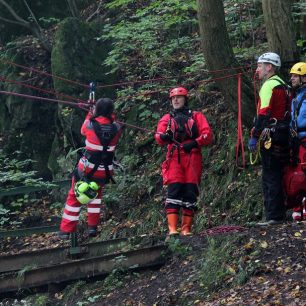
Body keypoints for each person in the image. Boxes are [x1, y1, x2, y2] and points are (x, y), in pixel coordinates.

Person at [59, 98, 122, 238]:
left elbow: (82, 131)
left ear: (97, 110)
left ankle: (66, 230)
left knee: (74, 197)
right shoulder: (117, 128)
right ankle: (92, 227)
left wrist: (90, 113)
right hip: (104, 171)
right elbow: (111, 123)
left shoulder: (90, 125)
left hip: (86, 170)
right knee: (94, 197)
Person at [155, 87, 213, 236]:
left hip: (193, 156)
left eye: (179, 97)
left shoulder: (196, 116)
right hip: (174, 157)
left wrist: (194, 143)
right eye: (173, 98)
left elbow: (207, 135)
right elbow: (159, 135)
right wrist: (163, 137)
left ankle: (186, 229)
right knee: (174, 190)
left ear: (185, 99)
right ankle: (173, 229)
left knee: (190, 192)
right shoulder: (167, 118)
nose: (175, 100)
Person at [248, 52, 291, 226]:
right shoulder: (284, 85)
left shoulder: (269, 86)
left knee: (270, 174)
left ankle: (274, 215)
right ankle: (280, 212)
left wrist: (254, 136)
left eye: (260, 66)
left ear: (269, 67)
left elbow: (263, 113)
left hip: (271, 135)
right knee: (279, 173)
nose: (257, 69)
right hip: (284, 133)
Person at [283, 62, 306, 221]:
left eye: (295, 76)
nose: (292, 78)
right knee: (296, 172)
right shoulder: (296, 96)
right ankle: (297, 206)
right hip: (296, 139)